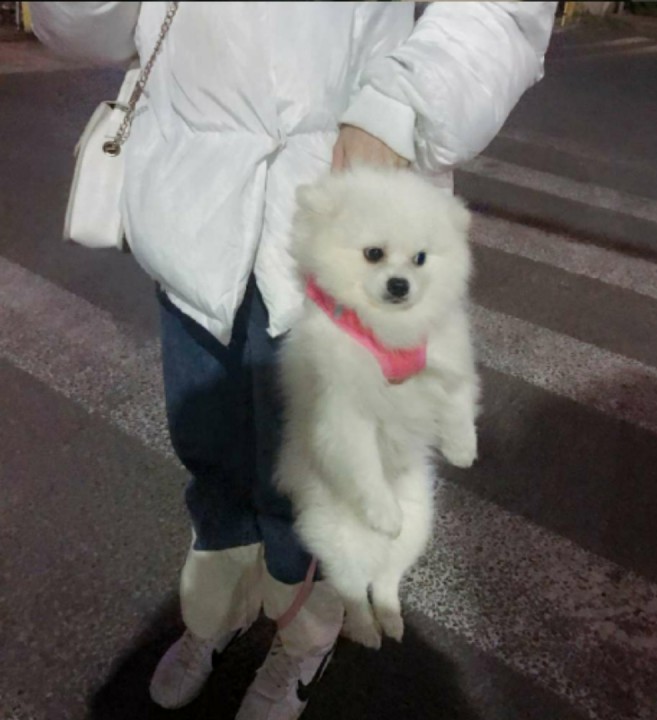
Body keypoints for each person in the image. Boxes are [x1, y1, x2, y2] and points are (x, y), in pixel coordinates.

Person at [31, 2, 555, 718]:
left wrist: (406, 99)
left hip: (336, 225)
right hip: (192, 212)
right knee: (210, 452)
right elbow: (92, 29)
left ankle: (305, 637)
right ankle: (219, 609)